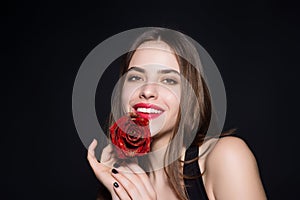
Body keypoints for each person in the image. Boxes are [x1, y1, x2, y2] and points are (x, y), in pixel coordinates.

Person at [87, 28, 267, 200]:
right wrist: (119, 186)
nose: (148, 90)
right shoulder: (120, 181)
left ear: (190, 96)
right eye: (135, 77)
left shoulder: (226, 157)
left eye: (168, 80)